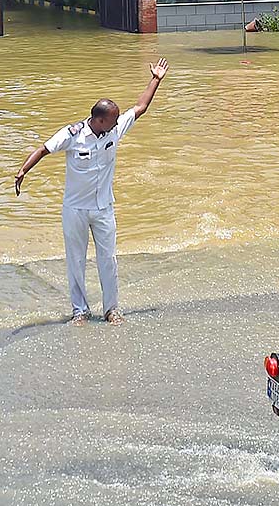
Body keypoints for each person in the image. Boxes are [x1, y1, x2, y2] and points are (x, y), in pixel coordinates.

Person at [14, 59, 169, 326]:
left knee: (108, 259)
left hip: (103, 207)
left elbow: (140, 108)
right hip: (75, 209)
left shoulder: (114, 130)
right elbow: (43, 149)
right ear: (98, 119)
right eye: (112, 118)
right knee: (76, 260)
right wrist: (22, 171)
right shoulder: (73, 134)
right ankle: (80, 311)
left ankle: (112, 309)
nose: (116, 122)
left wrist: (156, 79)